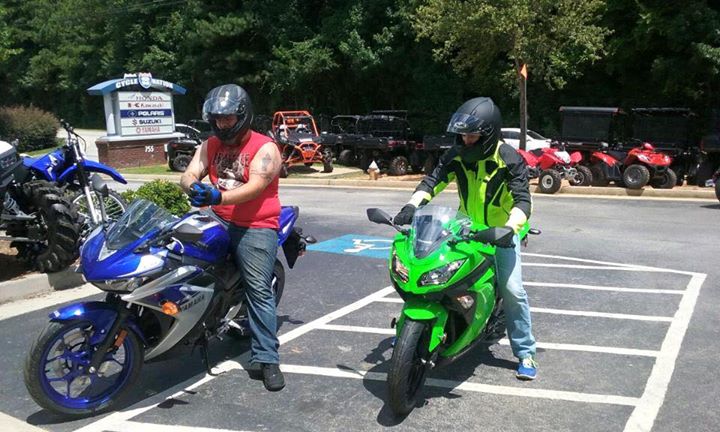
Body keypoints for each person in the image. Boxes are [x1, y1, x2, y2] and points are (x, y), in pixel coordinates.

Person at [393, 97, 538, 380]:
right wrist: (412, 205)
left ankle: (525, 352)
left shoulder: (509, 158)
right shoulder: (456, 155)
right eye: (462, 135)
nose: (466, 140)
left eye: (472, 135)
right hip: (465, 228)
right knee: (438, 275)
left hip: (500, 233)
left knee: (512, 290)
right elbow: (433, 181)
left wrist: (510, 228)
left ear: (489, 134)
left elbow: (523, 200)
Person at [180, 84, 286, 391]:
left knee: (258, 290)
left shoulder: (265, 148)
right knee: (183, 264)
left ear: (242, 116)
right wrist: (193, 188)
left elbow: (256, 186)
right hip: (217, 218)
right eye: (217, 119)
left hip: (256, 224)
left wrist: (218, 196)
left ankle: (267, 358)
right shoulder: (209, 144)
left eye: (228, 118)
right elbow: (189, 173)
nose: (222, 124)